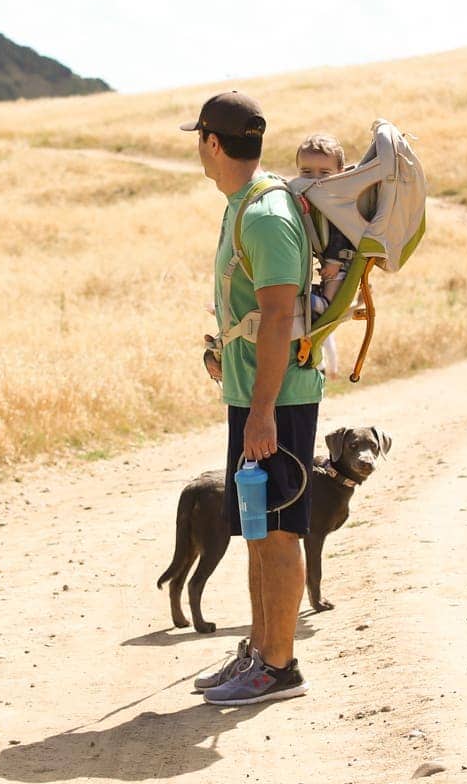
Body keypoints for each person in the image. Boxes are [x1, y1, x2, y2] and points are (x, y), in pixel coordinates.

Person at [183, 91, 321, 706]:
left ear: (214, 142)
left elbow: (276, 313)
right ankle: (262, 651)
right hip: (256, 394)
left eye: (200, 139)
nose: (199, 150)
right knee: (258, 526)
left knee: (281, 533)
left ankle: (280, 666)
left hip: (278, 400)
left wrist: (263, 410)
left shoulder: (264, 214)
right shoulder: (244, 204)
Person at [294, 133, 353, 379]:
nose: (315, 179)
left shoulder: (338, 198)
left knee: (326, 310)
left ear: (339, 172)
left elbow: (343, 230)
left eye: (324, 173)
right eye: (306, 172)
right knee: (319, 322)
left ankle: (327, 366)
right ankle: (323, 365)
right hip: (328, 264)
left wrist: (334, 260)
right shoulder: (310, 197)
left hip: (341, 263)